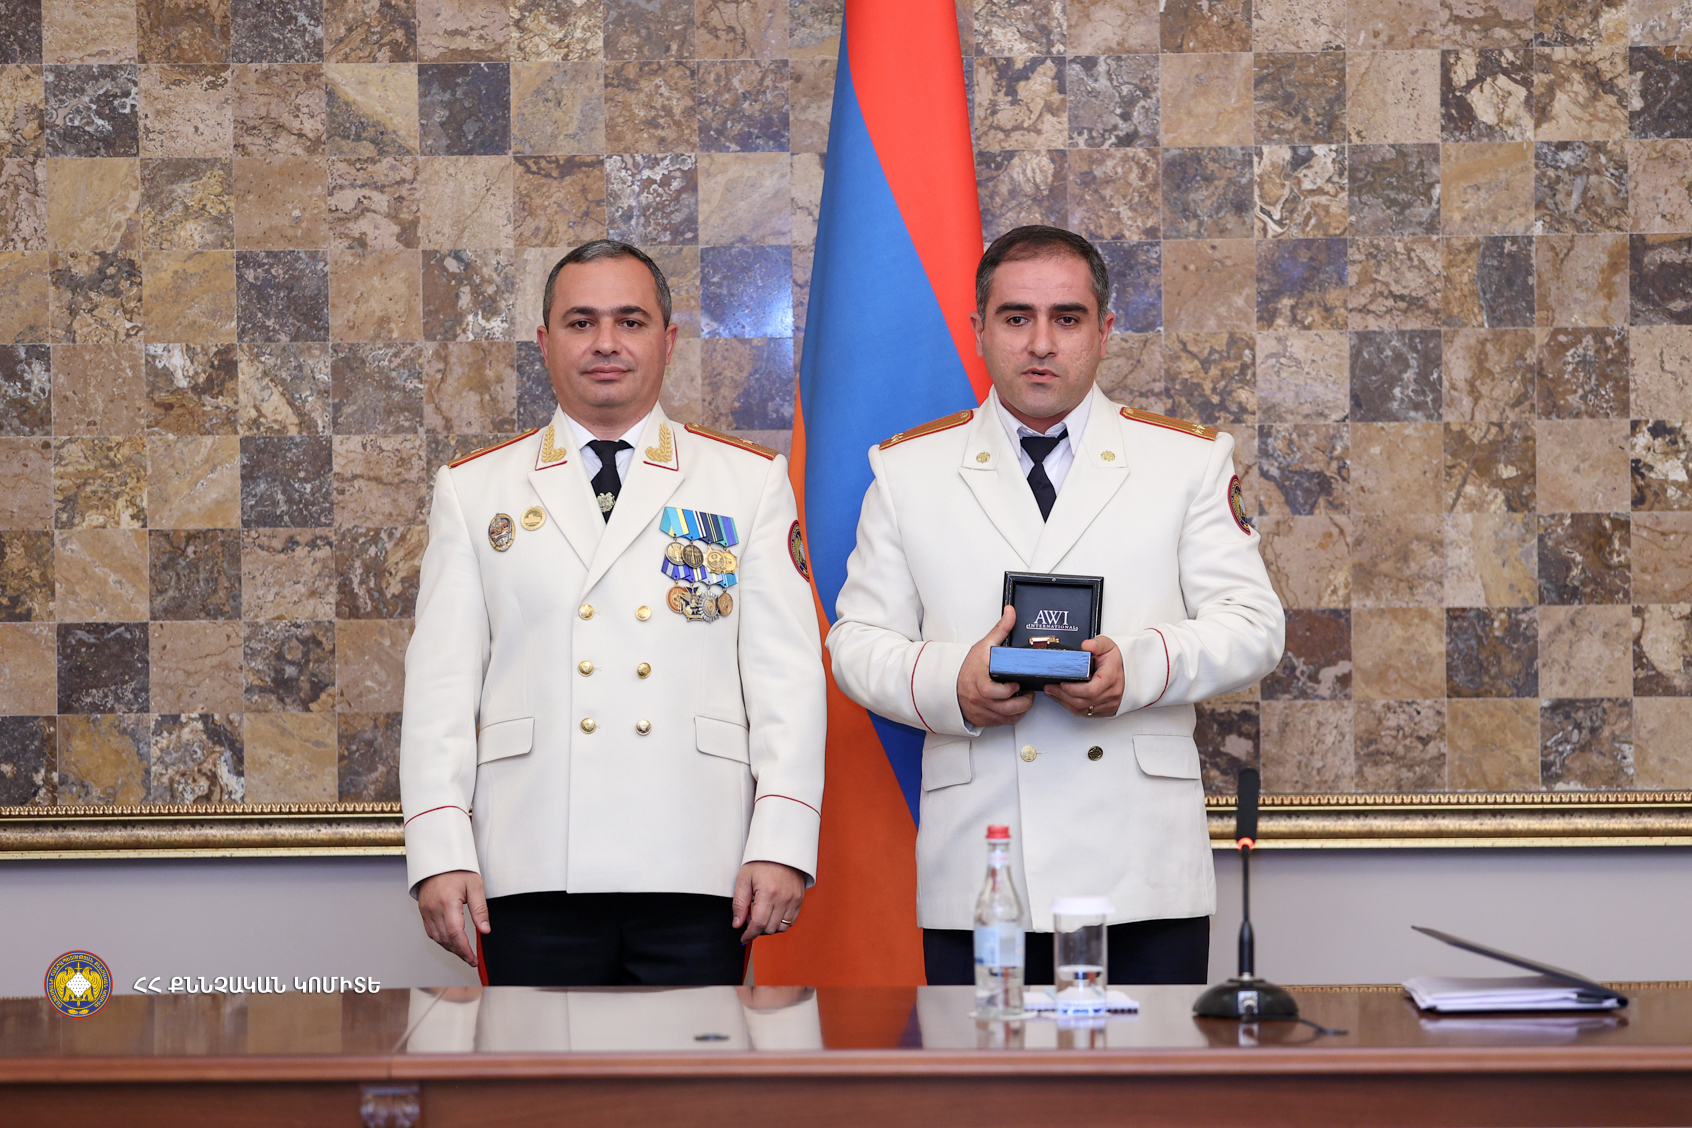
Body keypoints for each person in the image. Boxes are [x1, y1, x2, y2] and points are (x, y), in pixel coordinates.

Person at [826, 225, 1284, 985]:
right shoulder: (909, 471)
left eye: (1067, 318)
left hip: (1140, 869)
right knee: (986, 1068)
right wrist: (954, 684)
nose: (1041, 343)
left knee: (1144, 1069)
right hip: (982, 865)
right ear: (978, 330)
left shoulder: (1187, 462)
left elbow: (1254, 627)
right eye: (1016, 318)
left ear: (1104, 332)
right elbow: (856, 643)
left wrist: (1137, 666)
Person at [400, 240, 826, 986]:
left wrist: (782, 841)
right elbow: (440, 690)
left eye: (630, 321)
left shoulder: (746, 482)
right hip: (530, 862)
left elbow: (787, 682)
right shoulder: (475, 490)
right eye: (581, 322)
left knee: (695, 1063)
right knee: (537, 1064)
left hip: (700, 861)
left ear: (668, 339)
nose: (605, 343)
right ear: (544, 342)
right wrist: (439, 851)